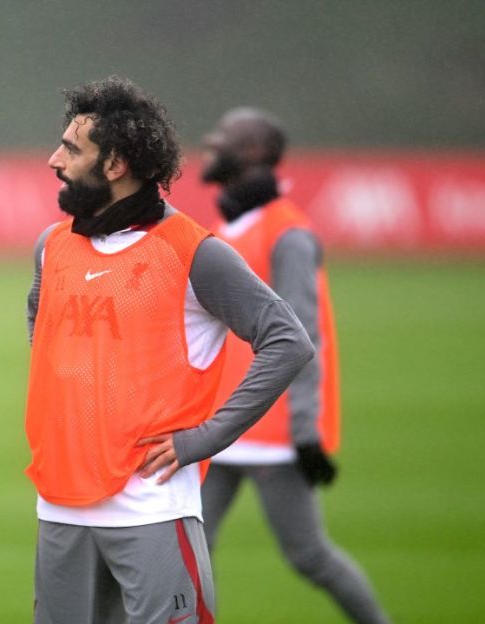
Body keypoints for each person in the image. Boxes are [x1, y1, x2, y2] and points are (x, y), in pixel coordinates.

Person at [24, 76, 315, 624]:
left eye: (71, 148)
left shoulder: (194, 253)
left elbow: (287, 341)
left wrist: (204, 438)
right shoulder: (51, 245)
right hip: (59, 505)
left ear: (116, 165)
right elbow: (40, 323)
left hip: (152, 508)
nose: (52, 160)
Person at [199, 107, 391, 623]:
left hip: (276, 430)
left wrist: (306, 433)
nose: (210, 145)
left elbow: (303, 335)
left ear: (255, 154)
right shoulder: (230, 224)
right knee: (188, 551)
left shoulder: (290, 234)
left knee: (308, 556)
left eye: (224, 140)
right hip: (222, 424)